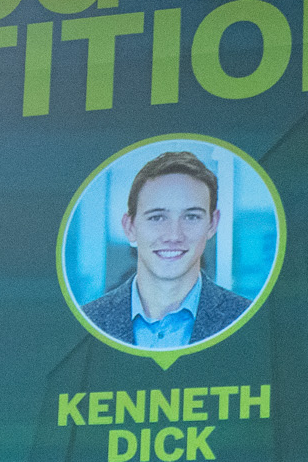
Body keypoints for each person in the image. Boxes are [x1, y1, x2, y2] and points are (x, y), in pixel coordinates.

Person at [79, 149, 252, 350]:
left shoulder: (248, 318)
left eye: (191, 216)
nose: (174, 235)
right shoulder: (86, 322)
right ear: (130, 227)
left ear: (212, 224)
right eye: (157, 217)